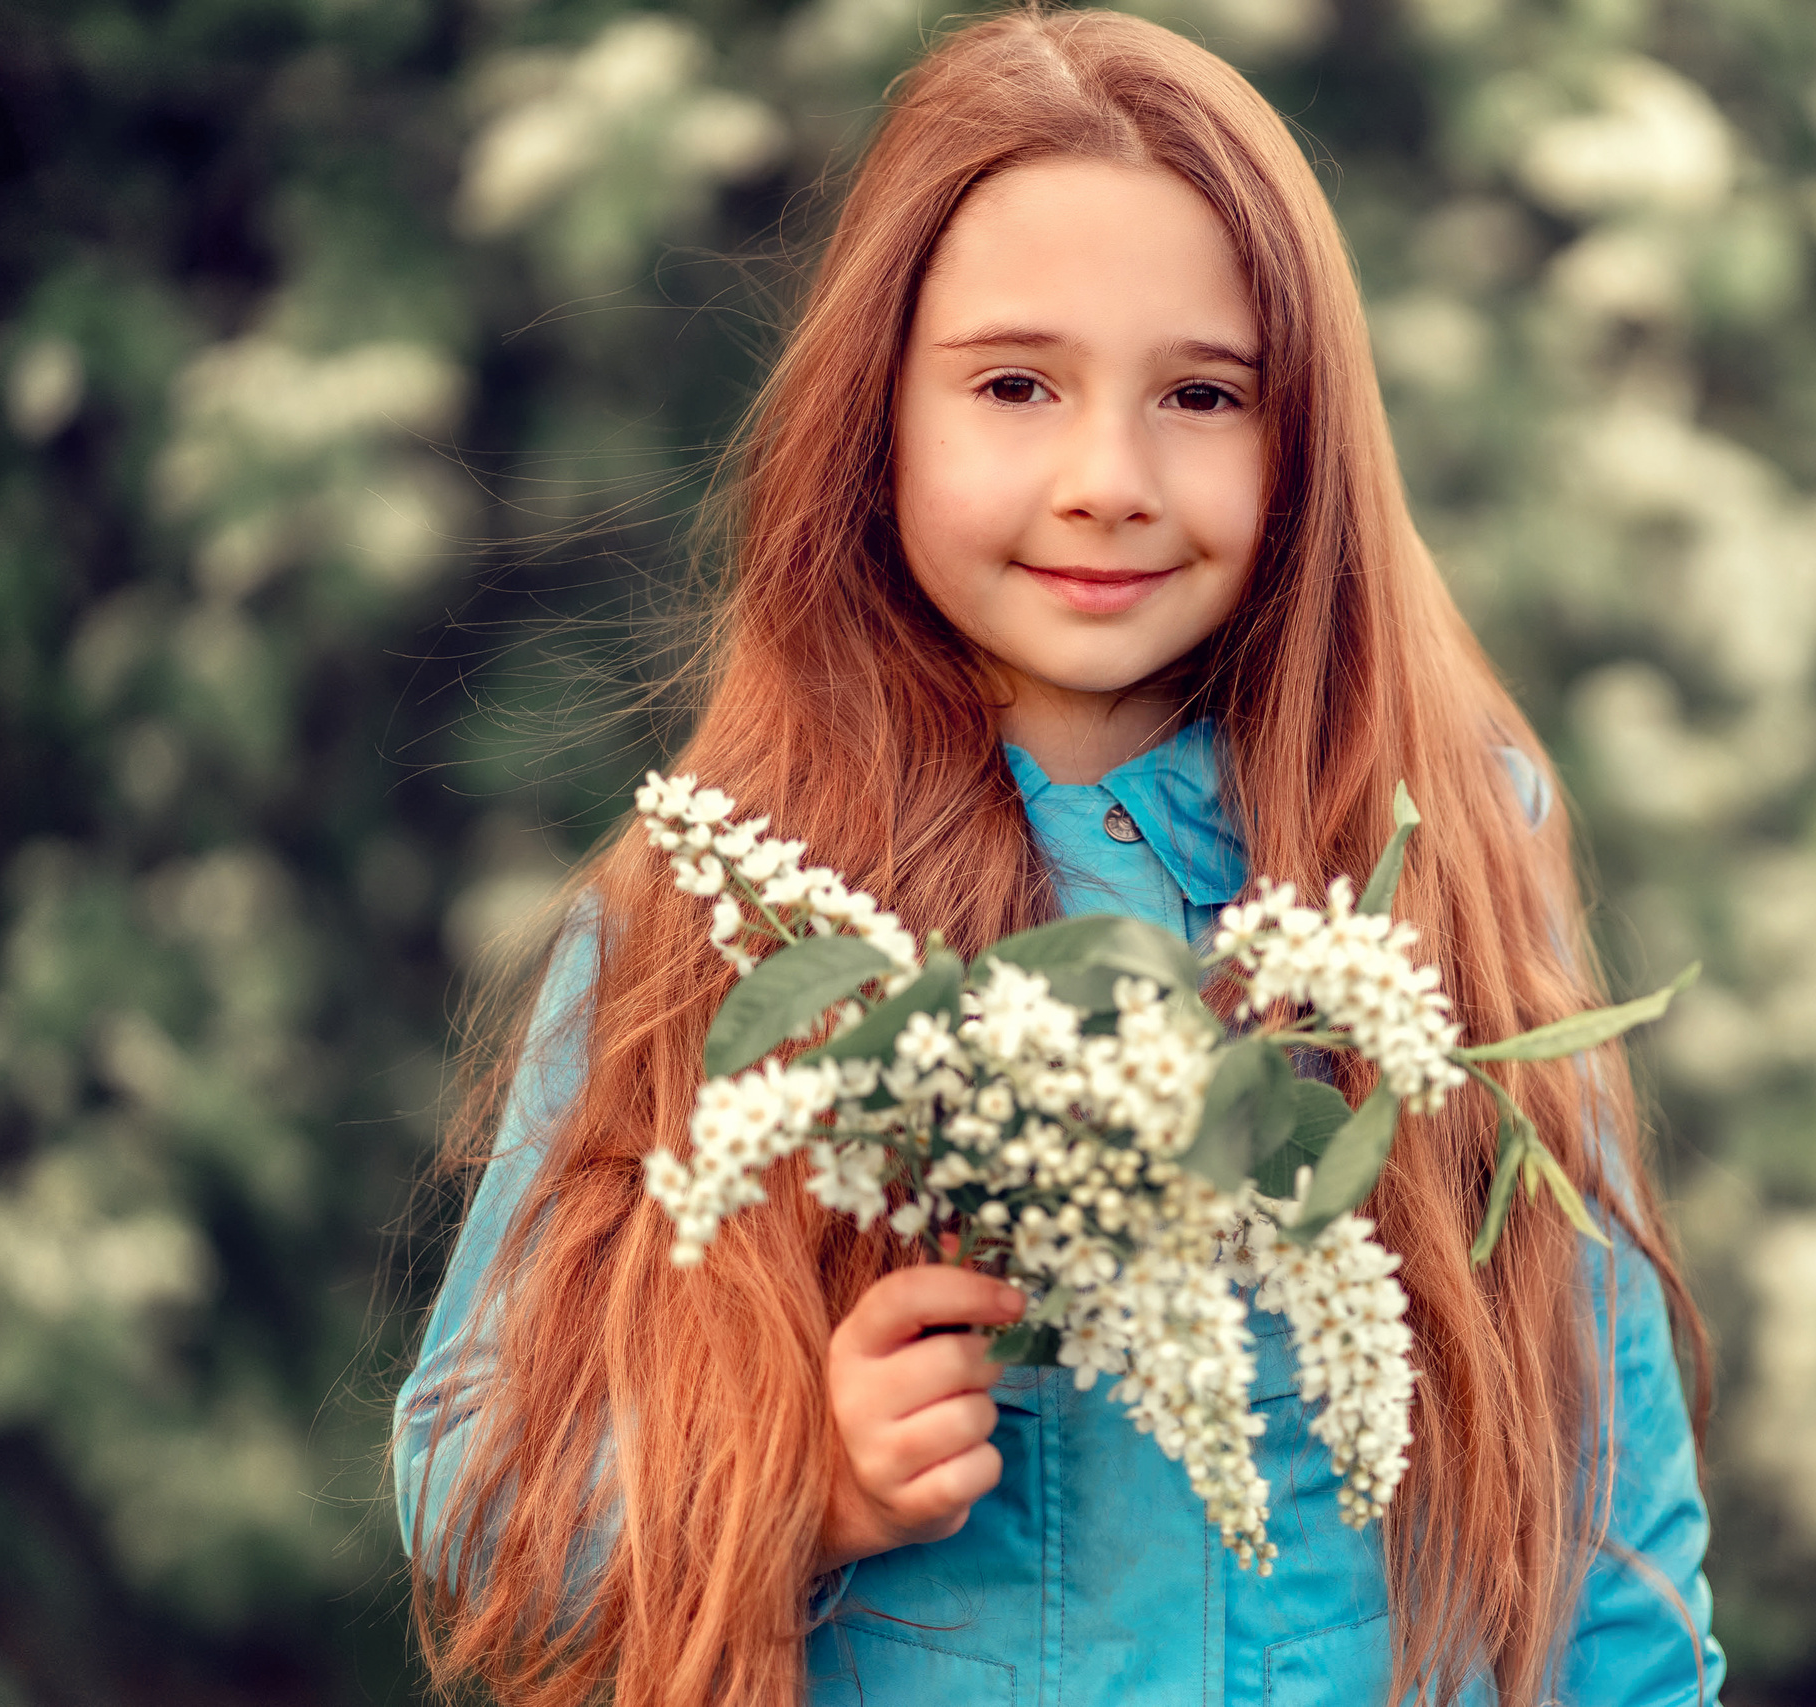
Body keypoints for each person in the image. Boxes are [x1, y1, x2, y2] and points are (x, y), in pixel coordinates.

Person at [394, 8, 1723, 1704]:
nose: (1108, 478)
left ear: (1305, 434)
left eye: (1202, 393)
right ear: (876, 414)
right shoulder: (718, 909)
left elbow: (1621, 1545)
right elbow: (471, 1482)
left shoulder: (1438, 878)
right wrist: (805, 1478)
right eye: (1016, 384)